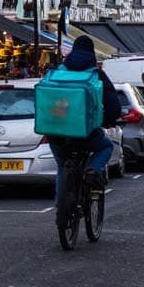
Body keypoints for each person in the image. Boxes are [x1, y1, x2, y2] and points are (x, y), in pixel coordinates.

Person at [48, 35, 121, 195]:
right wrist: (109, 120)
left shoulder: (58, 74)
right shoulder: (96, 76)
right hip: (86, 134)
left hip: (58, 134)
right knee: (107, 146)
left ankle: (61, 213)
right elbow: (113, 105)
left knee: (62, 166)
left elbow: (48, 104)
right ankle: (93, 170)